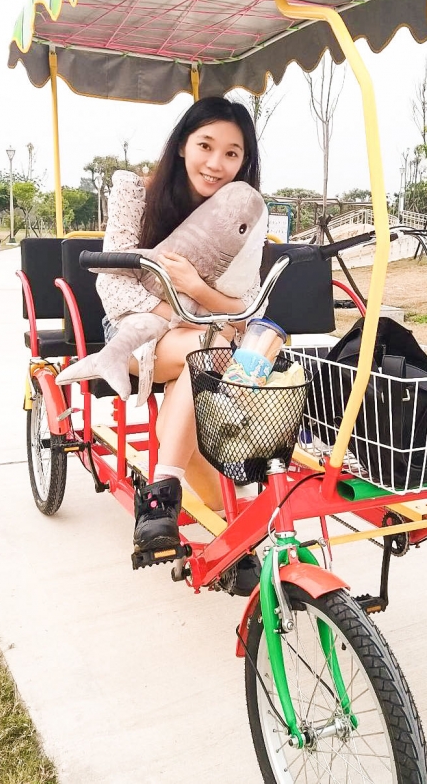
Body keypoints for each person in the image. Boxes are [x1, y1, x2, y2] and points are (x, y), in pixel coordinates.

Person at [67, 97, 264, 588]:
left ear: (244, 162)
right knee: (208, 351)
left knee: (204, 362)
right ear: (182, 146)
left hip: (206, 341)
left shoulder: (242, 216)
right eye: (206, 146)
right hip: (136, 333)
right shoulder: (138, 195)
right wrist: (173, 313)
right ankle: (186, 500)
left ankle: (175, 502)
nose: (216, 164)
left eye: (232, 154)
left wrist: (197, 290)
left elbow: (251, 300)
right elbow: (110, 282)